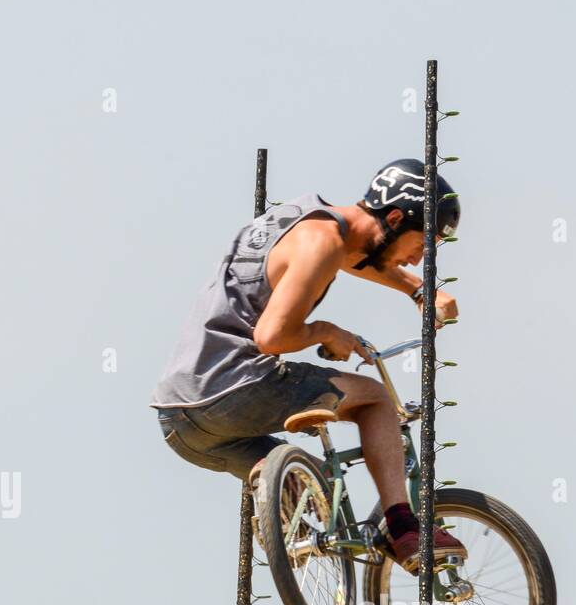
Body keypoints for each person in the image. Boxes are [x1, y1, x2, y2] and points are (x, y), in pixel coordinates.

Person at [151, 158, 467, 572]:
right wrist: (325, 331)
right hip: (231, 388)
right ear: (393, 217)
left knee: (308, 484)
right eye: (423, 243)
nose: (417, 258)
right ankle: (402, 528)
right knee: (374, 399)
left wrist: (419, 291)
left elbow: (355, 255)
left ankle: (284, 507)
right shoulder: (322, 242)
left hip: (181, 422)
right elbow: (272, 337)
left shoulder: (307, 221)